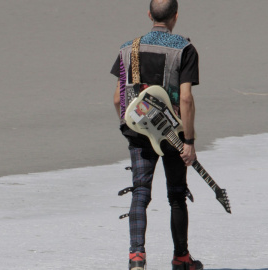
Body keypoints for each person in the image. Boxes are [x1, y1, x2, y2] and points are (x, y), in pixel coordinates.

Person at [110, 1, 203, 269]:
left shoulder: (128, 48)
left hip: (138, 130)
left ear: (149, 15)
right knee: (176, 194)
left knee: (140, 191)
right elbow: (185, 99)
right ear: (176, 16)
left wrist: (129, 125)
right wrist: (188, 141)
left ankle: (136, 257)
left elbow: (118, 98)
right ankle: (181, 259)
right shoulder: (185, 49)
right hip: (172, 132)